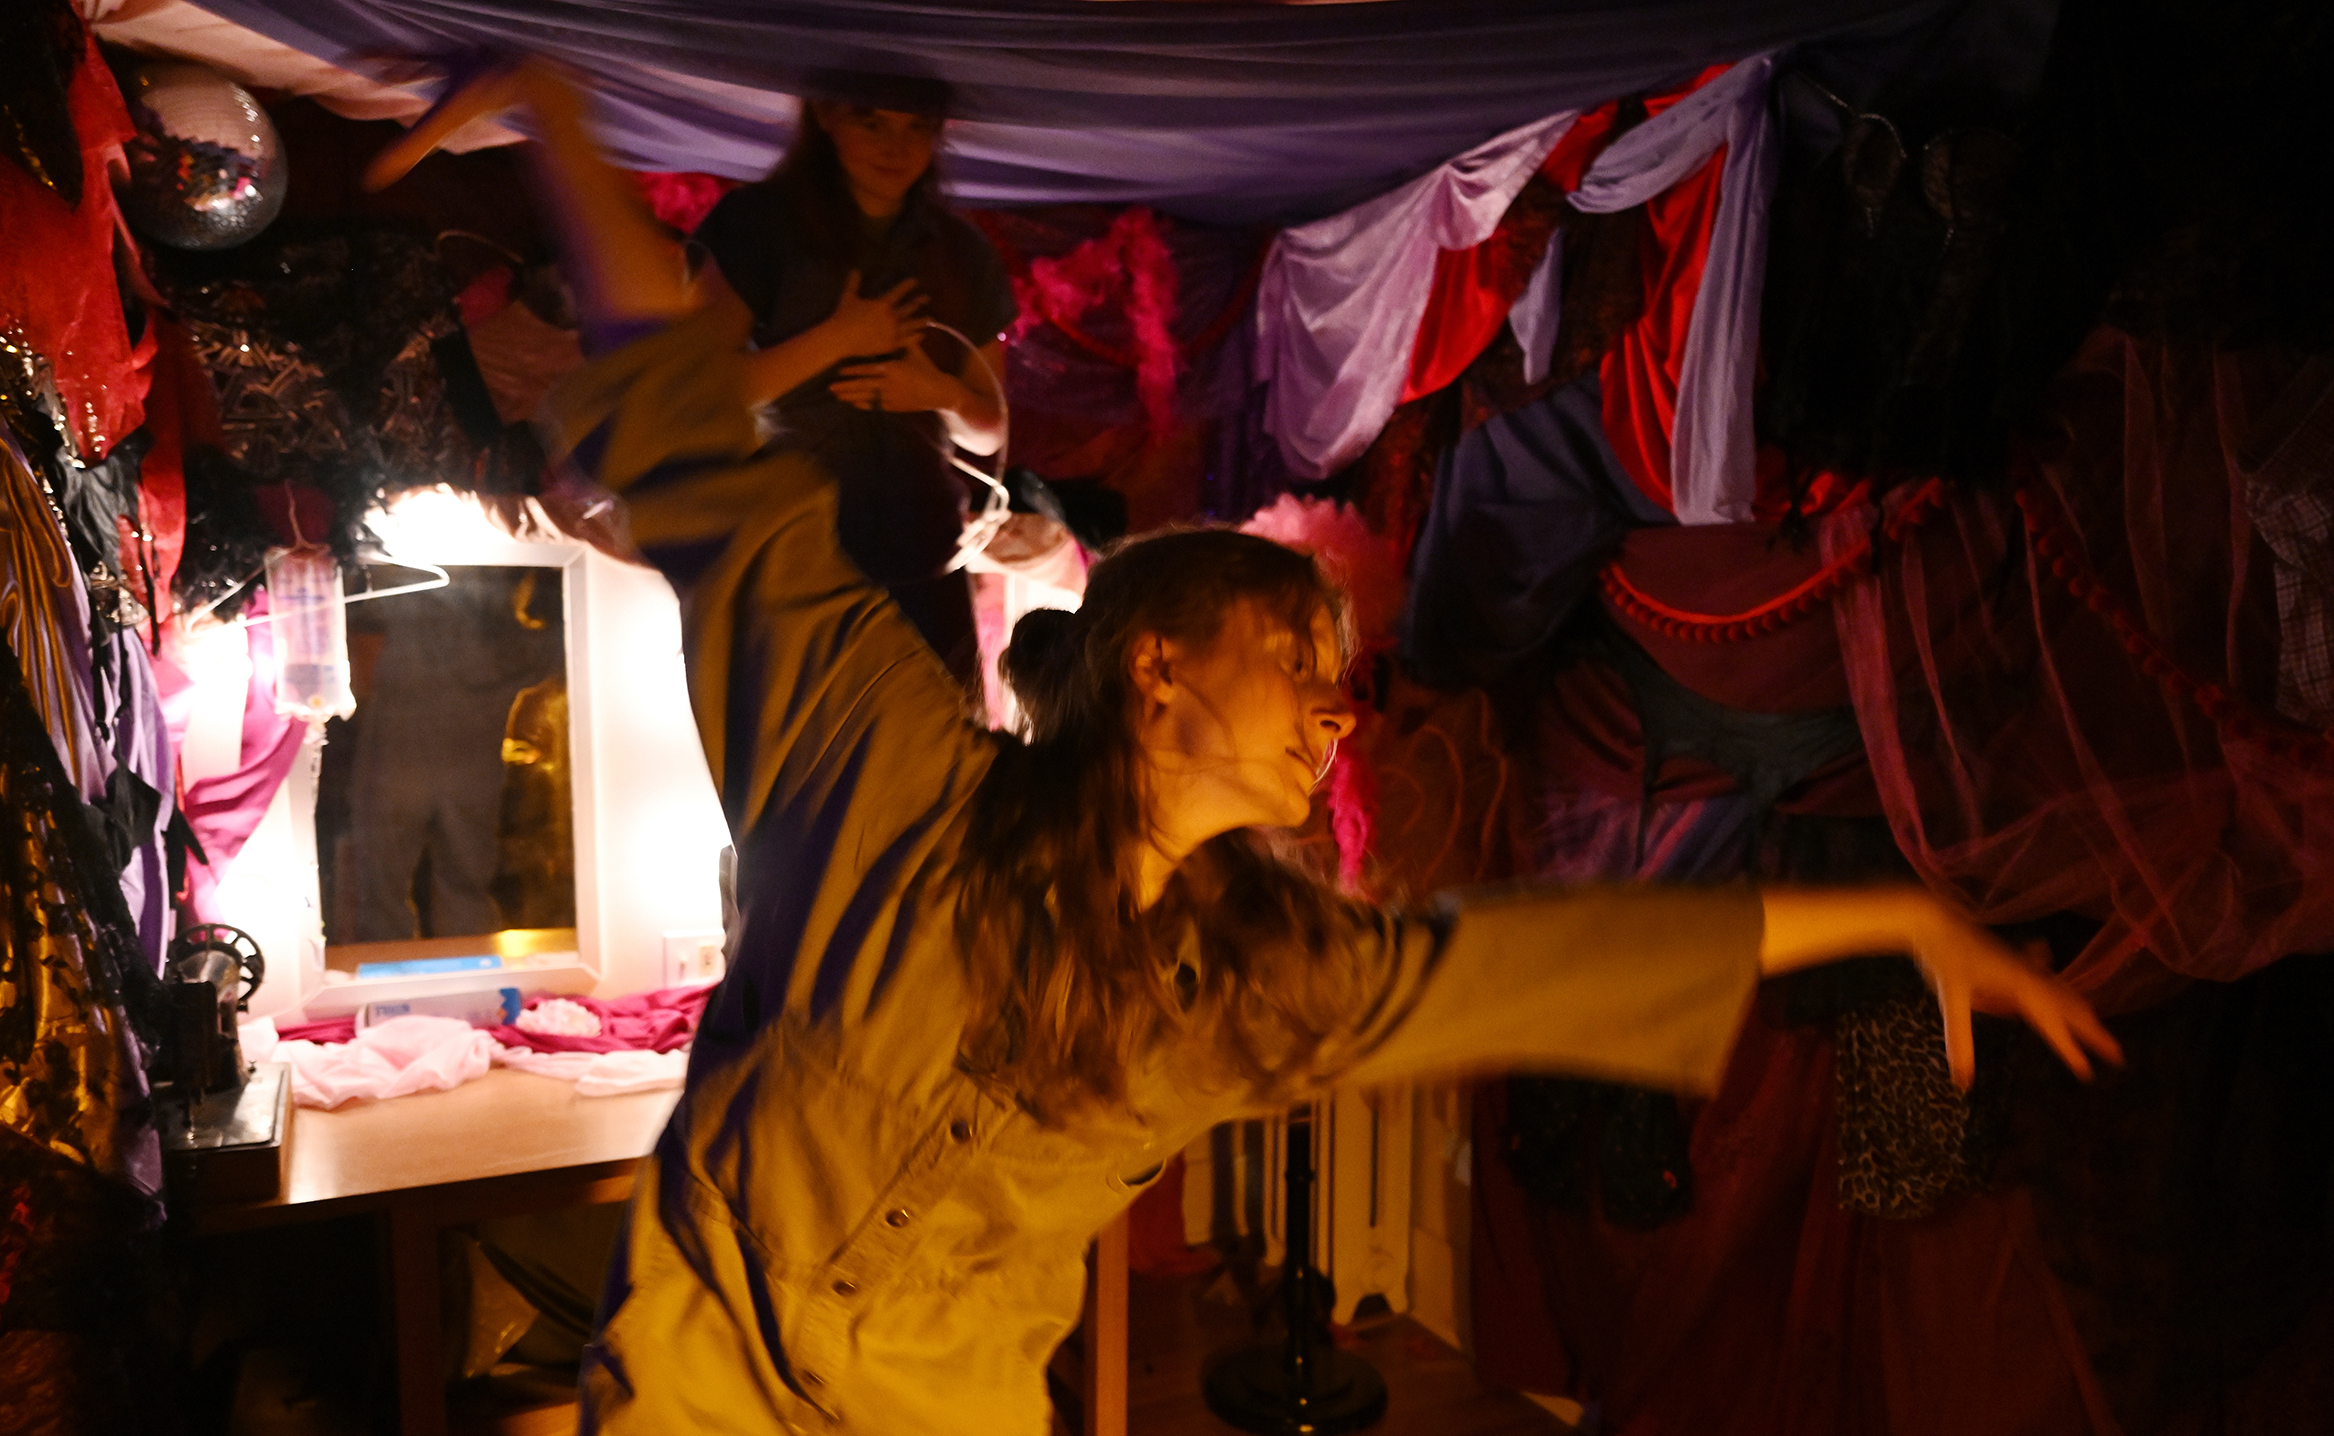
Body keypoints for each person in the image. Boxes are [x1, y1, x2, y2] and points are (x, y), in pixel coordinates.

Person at [368, 63, 2123, 1436]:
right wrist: (558, 108)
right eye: (1293, 654)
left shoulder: (1245, 984)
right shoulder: (885, 771)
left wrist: (1889, 923)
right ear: (1151, 671)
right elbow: (702, 458)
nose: (1331, 704)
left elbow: (1539, 963)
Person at [688, 75, 1013, 691]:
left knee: (945, 754)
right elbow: (699, 393)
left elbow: (990, 430)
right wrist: (839, 337)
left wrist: (938, 394)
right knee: (809, 760)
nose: (898, 147)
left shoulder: (963, 251)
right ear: (826, 116)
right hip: (796, 553)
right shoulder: (756, 225)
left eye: (917, 127)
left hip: (924, 551)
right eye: (873, 122)